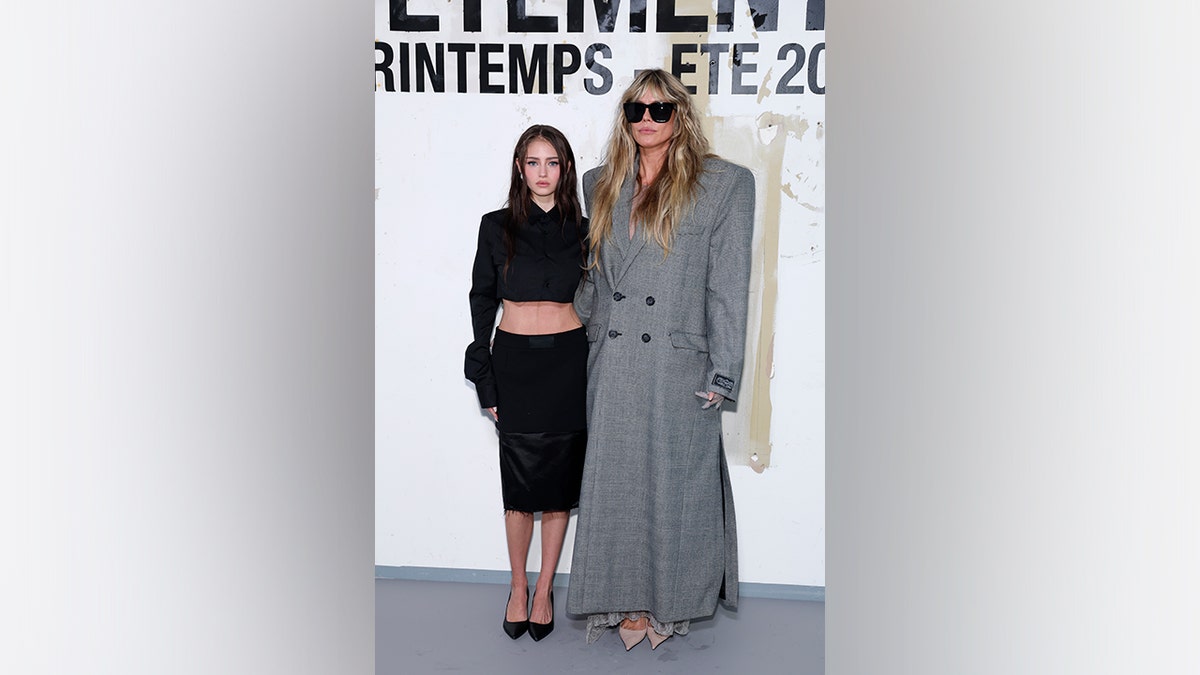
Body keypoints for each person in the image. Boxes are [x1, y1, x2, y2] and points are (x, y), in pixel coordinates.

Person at [566, 69, 756, 650]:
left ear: (680, 116)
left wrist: (722, 372)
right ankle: (622, 600)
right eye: (636, 110)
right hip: (612, 359)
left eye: (660, 109)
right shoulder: (600, 181)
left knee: (675, 487)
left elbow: (727, 287)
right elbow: (595, 278)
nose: (646, 119)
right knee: (616, 488)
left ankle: (668, 604)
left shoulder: (724, 184)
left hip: (676, 363)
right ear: (625, 118)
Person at [464, 124, 588, 642]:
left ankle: (544, 590)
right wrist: (485, 376)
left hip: (568, 364)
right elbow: (481, 301)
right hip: (515, 365)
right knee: (518, 488)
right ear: (519, 167)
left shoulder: (585, 228)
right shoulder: (495, 226)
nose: (542, 172)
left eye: (552, 162)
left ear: (565, 169)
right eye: (533, 162)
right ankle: (518, 586)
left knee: (557, 488)